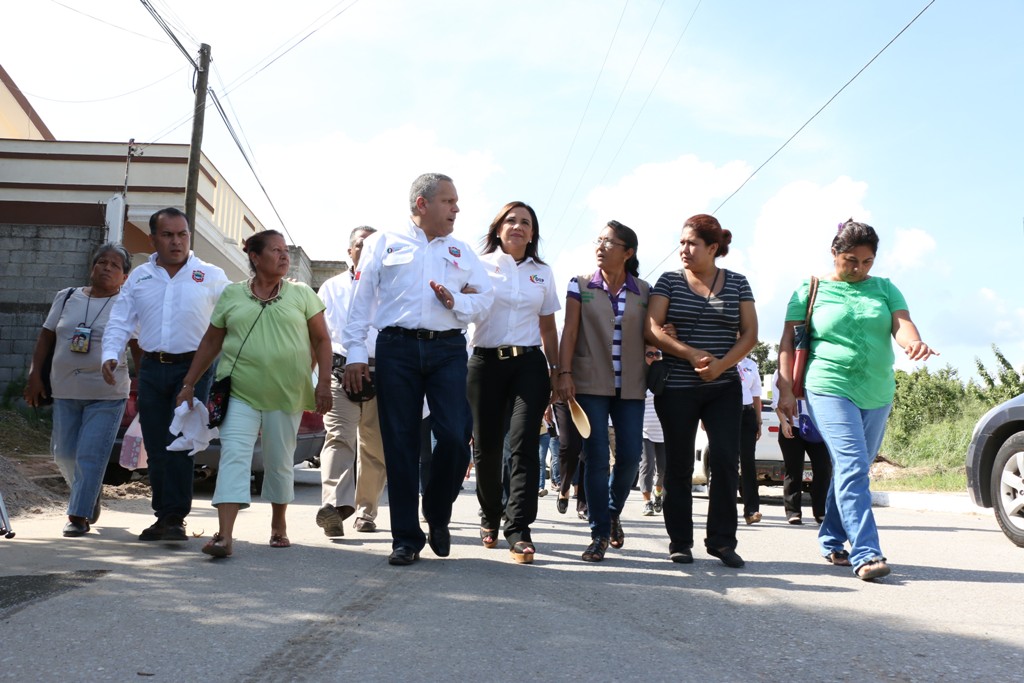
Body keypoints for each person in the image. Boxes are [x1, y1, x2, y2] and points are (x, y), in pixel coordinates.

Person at [343, 173, 493, 566]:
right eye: (449, 201)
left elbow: (485, 300)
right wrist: (357, 353)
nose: (456, 209)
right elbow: (361, 302)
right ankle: (406, 538)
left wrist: (456, 301)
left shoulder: (462, 250)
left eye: (457, 202)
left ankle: (437, 513)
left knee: (457, 436)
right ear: (422, 204)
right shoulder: (383, 242)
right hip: (397, 349)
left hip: (447, 349)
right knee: (400, 443)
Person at [776, 219, 937, 581]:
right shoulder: (809, 289)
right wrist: (786, 390)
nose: (859, 269)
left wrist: (913, 341)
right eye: (851, 260)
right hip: (829, 385)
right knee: (850, 464)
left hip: (878, 390)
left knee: (854, 469)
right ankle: (866, 553)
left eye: (867, 262)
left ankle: (832, 537)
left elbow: (902, 323)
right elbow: (787, 343)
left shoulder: (884, 288)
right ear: (834, 253)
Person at [176, 230, 333, 557]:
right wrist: (190, 383)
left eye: (285, 250)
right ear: (255, 257)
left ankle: (278, 523)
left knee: (278, 461)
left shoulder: (302, 294)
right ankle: (224, 536)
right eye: (275, 250)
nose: (284, 255)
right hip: (239, 392)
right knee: (233, 456)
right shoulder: (233, 295)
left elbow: (321, 340)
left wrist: (323, 383)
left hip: (286, 393)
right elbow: (211, 341)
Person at [101, 207, 229, 542]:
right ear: (153, 238)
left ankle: (174, 517)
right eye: (168, 235)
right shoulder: (141, 277)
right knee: (157, 445)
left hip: (195, 369)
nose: (177, 241)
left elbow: (235, 316)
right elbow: (121, 320)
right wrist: (110, 354)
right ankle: (164, 515)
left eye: (182, 234)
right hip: (153, 368)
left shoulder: (212, 276)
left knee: (181, 442)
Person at [645, 214, 757, 568]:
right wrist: (691, 354)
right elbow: (652, 329)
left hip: (723, 386)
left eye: (692, 243)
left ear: (713, 248)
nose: (684, 249)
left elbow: (750, 334)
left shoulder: (738, 283)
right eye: (681, 243)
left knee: (725, 459)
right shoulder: (669, 281)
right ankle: (680, 541)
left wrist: (722, 366)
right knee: (677, 465)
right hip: (677, 386)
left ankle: (722, 541)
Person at [467, 201, 560, 564]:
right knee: (487, 448)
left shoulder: (543, 272)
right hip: (485, 363)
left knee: (523, 444)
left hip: (529, 366)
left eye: (526, 222)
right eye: (511, 220)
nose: (518, 226)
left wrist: (558, 370)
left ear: (533, 233)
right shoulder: (478, 265)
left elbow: (548, 325)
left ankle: (518, 528)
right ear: (498, 228)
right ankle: (490, 514)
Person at [24, 244, 137, 537]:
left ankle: (78, 515)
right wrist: (34, 375)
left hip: (107, 393)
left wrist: (147, 387)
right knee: (63, 455)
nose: (107, 267)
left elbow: (139, 348)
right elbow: (46, 338)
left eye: (115, 265)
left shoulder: (127, 304)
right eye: (102, 262)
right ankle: (88, 492)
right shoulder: (67, 297)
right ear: (92, 267)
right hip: (65, 389)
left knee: (89, 455)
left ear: (125, 277)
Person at [556, 220, 648, 563]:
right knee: (596, 457)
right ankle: (598, 534)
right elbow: (569, 331)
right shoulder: (580, 285)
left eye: (609, 242)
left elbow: (652, 333)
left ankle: (612, 510)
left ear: (628, 252)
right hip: (589, 383)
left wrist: (662, 334)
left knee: (630, 457)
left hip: (632, 386)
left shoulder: (644, 291)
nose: (600, 247)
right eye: (598, 241)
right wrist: (563, 374)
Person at [315, 226, 386, 536]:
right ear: (349, 251)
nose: (367, 249)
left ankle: (366, 513)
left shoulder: (393, 288)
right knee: (338, 438)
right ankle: (334, 507)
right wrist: (320, 379)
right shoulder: (330, 288)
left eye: (374, 245)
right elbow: (320, 338)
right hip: (340, 373)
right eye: (361, 244)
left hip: (382, 374)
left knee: (375, 447)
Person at [771, 370, 831, 525]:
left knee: (823, 469)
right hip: (792, 425)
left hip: (817, 427)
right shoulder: (782, 371)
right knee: (794, 470)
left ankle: (821, 512)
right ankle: (793, 512)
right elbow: (776, 401)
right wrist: (784, 423)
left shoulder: (817, 366)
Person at [640, 347, 666, 516]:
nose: (655, 357)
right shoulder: (640, 377)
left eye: (657, 354)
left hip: (663, 430)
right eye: (650, 354)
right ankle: (647, 501)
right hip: (644, 430)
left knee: (663, 469)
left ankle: (658, 493)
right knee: (647, 464)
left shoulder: (665, 376)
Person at [737, 355, 763, 525]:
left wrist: (758, 421)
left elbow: (756, 396)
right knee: (726, 462)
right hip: (725, 413)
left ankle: (751, 510)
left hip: (747, 414)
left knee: (748, 463)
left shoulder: (751, 364)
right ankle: (724, 510)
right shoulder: (723, 356)